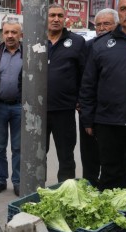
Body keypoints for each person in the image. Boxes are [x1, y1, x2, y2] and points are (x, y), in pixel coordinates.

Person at [79, 0, 126, 190]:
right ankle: (114, 217)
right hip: (109, 123)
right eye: (124, 9)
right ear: (119, 14)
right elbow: (88, 85)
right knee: (111, 175)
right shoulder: (101, 45)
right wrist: (87, 119)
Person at [79, 8, 120, 187]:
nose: (102, 28)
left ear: (116, 25)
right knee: (89, 157)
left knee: (114, 160)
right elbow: (80, 78)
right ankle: (90, 189)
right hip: (89, 111)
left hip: (114, 115)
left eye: (107, 24)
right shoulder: (89, 47)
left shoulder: (124, 46)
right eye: (99, 24)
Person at [47, 3, 86, 182]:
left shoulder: (77, 42)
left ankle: (66, 191)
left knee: (66, 156)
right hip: (37, 111)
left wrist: (79, 99)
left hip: (64, 110)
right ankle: (36, 190)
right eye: (52, 15)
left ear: (65, 19)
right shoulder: (34, 40)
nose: (56, 19)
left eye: (59, 16)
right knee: (36, 155)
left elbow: (84, 74)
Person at [0, 20, 23, 196]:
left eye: (14, 32)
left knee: (18, 147)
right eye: (7, 32)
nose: (9, 36)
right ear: (2, 34)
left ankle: (17, 181)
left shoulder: (27, 53)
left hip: (19, 107)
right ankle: (1, 180)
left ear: (20, 35)